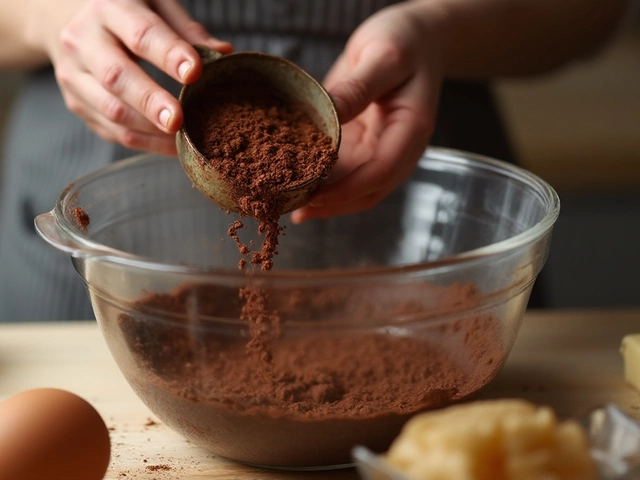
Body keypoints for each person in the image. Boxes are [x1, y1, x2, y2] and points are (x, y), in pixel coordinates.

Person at [0, 0, 631, 321]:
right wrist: (49, 14)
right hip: (98, 142)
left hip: (411, 154)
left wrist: (436, 26)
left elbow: (591, 13)